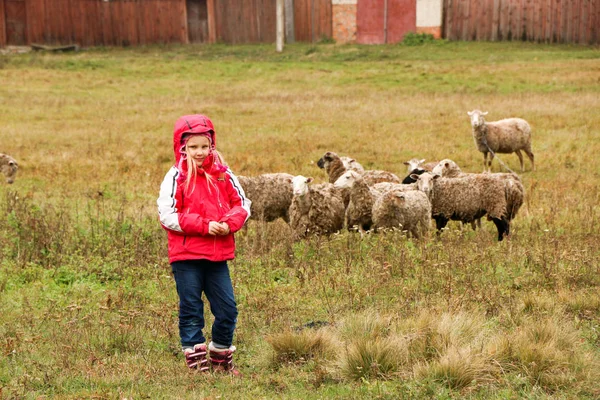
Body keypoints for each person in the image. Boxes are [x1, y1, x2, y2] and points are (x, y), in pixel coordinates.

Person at [157, 114, 251, 374]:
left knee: (228, 308)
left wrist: (229, 223)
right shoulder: (176, 176)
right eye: (193, 147)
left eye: (204, 146)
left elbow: (242, 204)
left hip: (217, 255)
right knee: (191, 306)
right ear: (182, 148)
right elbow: (167, 215)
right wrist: (205, 225)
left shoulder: (222, 173)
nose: (199, 152)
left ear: (212, 145)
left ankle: (221, 358)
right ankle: (197, 362)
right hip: (186, 256)